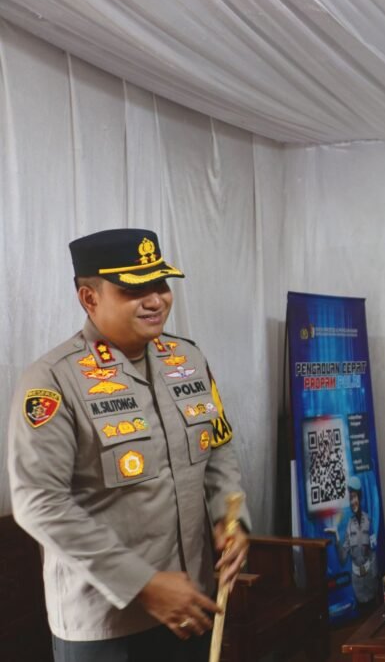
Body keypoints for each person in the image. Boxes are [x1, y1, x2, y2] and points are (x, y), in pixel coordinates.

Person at [8, 228, 250, 662]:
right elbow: (38, 502)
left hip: (190, 604)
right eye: (134, 290)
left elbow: (217, 447)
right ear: (89, 298)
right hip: (106, 624)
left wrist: (229, 520)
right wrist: (142, 584)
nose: (155, 300)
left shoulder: (188, 359)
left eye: (161, 284)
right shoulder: (53, 380)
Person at [340, 476, 378, 607]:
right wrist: (336, 539)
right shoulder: (349, 526)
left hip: (371, 579)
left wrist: (374, 575)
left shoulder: (369, 521)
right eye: (350, 499)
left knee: (374, 611)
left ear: (360, 498)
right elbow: (343, 559)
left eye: (354, 497)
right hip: (357, 584)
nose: (353, 502)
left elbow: (373, 551)